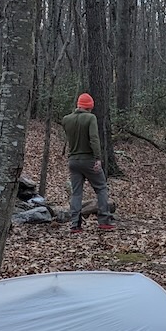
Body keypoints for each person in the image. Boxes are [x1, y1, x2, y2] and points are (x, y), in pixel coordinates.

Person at [62, 93, 114, 232]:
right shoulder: (90, 118)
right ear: (89, 107)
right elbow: (94, 139)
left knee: (77, 193)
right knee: (101, 188)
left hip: (73, 161)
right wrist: (98, 158)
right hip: (89, 160)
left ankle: (75, 224)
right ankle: (104, 220)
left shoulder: (66, 119)